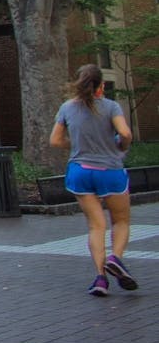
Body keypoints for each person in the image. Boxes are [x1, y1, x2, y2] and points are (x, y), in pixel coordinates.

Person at [49, 63, 140, 296]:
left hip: (80, 171)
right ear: (101, 85)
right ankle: (115, 258)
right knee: (120, 221)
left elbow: (55, 141)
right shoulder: (111, 106)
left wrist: (77, 145)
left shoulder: (67, 107)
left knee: (96, 226)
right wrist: (121, 145)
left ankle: (101, 279)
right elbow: (125, 133)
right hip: (109, 171)